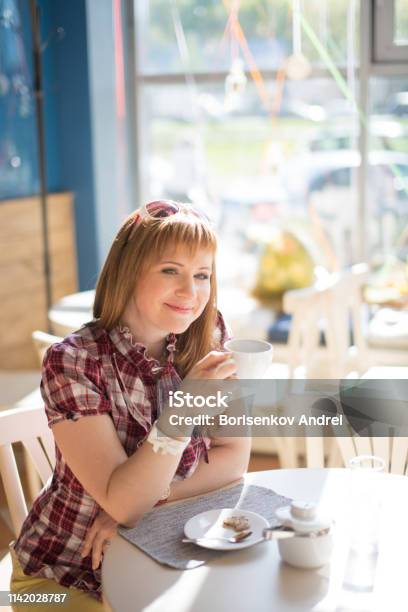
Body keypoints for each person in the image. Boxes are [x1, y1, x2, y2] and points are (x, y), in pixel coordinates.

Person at [10, 200, 251, 610]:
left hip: (161, 546)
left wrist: (144, 507)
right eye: (170, 270)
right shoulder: (73, 362)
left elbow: (233, 459)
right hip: (65, 573)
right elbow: (124, 502)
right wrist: (186, 405)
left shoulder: (208, 336)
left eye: (202, 275)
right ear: (129, 270)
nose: (190, 293)